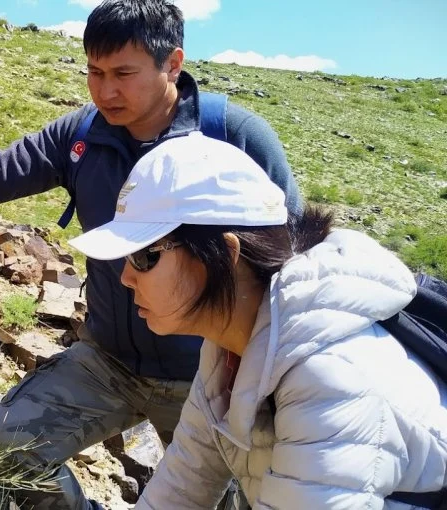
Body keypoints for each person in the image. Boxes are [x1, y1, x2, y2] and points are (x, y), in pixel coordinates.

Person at [0, 1, 302, 507]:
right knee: (6, 446)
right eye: (95, 73)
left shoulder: (234, 136)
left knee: (229, 499)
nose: (106, 90)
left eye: (124, 73)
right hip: (108, 360)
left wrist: (273, 376)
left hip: (207, 373)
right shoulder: (84, 134)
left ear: (173, 63)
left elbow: (292, 252)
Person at [68, 132, 447, 509]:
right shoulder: (230, 350)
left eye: (144, 257)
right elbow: (180, 488)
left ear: (225, 253)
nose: (126, 278)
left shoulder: (329, 378)